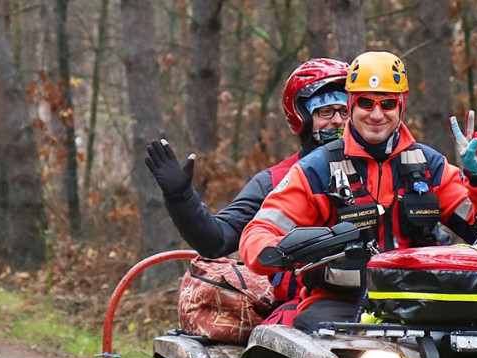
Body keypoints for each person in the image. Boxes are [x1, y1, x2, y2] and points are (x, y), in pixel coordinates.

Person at [239, 51, 477, 333]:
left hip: (423, 299)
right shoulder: (316, 169)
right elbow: (261, 230)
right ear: (351, 104)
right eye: (366, 103)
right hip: (338, 302)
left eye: (387, 103)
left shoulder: (429, 166)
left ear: (401, 106)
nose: (377, 114)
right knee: (315, 352)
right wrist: (275, 250)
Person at [144, 58, 351, 262]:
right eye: (325, 112)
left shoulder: (377, 167)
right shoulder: (274, 181)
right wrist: (181, 197)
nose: (337, 121)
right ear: (301, 117)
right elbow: (217, 240)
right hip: (300, 294)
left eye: (344, 112)